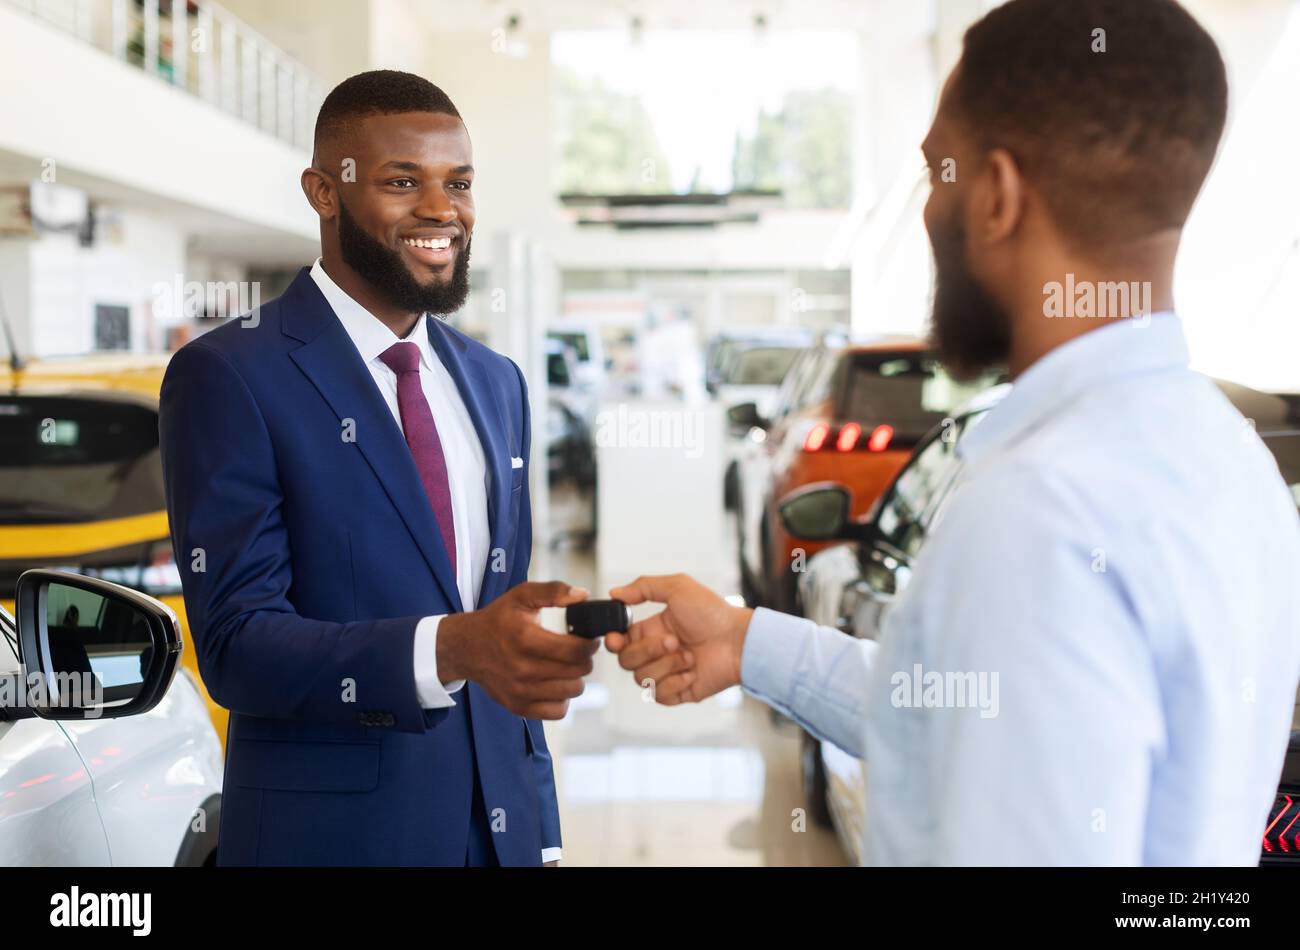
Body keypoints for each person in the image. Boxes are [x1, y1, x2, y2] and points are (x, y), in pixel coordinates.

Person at [606, 0, 1300, 865]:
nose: (930, 211)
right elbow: (971, 712)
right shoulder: (1232, 457)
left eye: (939, 173)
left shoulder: (1042, 509)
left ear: (999, 196)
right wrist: (749, 641)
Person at [160, 71, 596, 866]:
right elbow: (236, 644)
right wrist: (455, 649)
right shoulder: (231, 374)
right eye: (404, 182)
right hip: (337, 841)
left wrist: (540, 828)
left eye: (458, 183)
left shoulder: (496, 382)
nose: (442, 210)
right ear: (324, 192)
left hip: (501, 829)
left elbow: (492, 623)